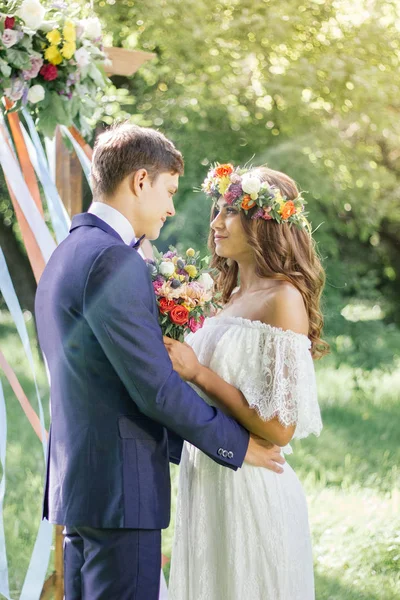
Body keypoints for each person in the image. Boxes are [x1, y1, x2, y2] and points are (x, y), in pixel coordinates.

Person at [34, 126, 284, 600]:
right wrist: (235, 444)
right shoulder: (113, 260)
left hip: (82, 485)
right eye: (169, 191)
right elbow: (156, 388)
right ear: (140, 180)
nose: (172, 207)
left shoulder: (67, 252)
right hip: (121, 494)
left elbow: (104, 378)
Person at [165, 164, 329, 600]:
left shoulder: (283, 299)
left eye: (230, 213)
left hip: (251, 489)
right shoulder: (226, 295)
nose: (215, 223)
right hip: (207, 484)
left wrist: (199, 372)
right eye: (216, 210)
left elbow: (280, 428)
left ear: (264, 223)